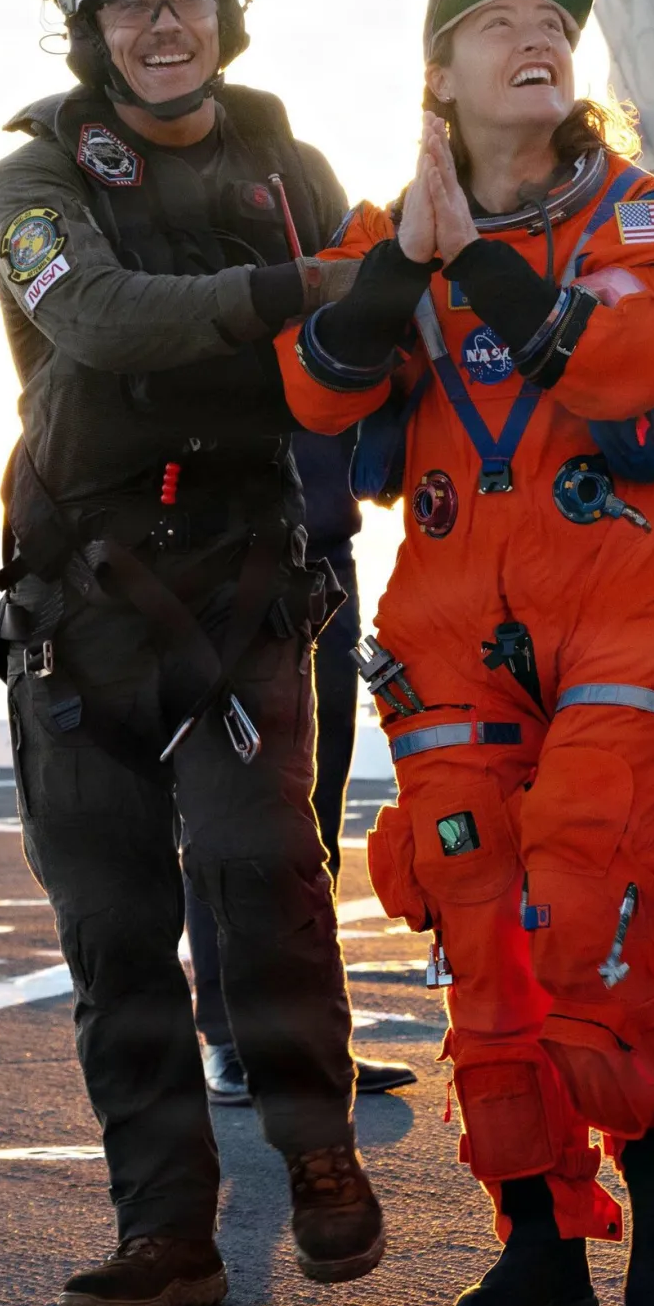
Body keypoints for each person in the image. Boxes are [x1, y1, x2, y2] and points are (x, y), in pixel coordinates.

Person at [281, 0, 654, 1306]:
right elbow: (314, 381)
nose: (538, 37)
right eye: (500, 24)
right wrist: (407, 259)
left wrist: (464, 256)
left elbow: (626, 363)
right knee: (482, 939)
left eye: (556, 24)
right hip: (449, 631)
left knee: (582, 903)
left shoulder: (651, 212)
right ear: (441, 77)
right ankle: (538, 1237)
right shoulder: (384, 232)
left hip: (629, 607)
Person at [0, 0, 382, 1306]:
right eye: (134, 7)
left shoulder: (297, 169)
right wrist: (292, 288)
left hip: (249, 578)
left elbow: (383, 329)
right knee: (113, 927)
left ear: (228, 11)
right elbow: (91, 315)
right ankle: (169, 1233)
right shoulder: (30, 184)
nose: (165, 23)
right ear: (88, 31)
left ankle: (319, 1143)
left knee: (264, 866)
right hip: (81, 603)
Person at [191, 430, 419, 1106]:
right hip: (222, 564)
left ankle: (315, 1036)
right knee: (223, 813)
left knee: (313, 819)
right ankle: (228, 1037)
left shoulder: (333, 318)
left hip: (323, 563)